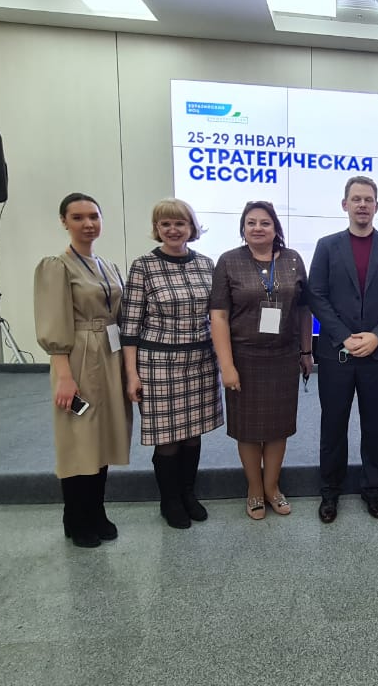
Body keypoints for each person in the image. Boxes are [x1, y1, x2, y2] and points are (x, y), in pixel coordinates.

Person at [307, 175, 378, 523]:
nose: (362, 205)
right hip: (336, 352)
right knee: (333, 425)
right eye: (356, 199)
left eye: (368, 199)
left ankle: (372, 489)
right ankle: (329, 491)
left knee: (374, 426)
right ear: (345, 205)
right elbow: (316, 295)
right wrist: (343, 336)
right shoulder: (326, 246)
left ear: (377, 206)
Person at [33, 192, 133, 549]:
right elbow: (53, 322)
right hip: (78, 357)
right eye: (78, 217)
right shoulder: (57, 267)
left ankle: (96, 510)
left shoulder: (108, 266)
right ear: (64, 222)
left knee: (102, 435)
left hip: (110, 355)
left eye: (93, 216)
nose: (88, 224)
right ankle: (76, 516)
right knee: (79, 436)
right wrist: (63, 374)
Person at [119, 198, 222, 530]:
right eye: (165, 224)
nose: (173, 229)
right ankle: (170, 500)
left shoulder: (206, 264)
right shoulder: (143, 266)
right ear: (157, 228)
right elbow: (129, 327)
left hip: (201, 360)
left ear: (191, 227)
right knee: (168, 438)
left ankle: (188, 494)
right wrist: (131, 374)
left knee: (193, 434)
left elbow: (218, 316)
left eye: (180, 223)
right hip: (158, 364)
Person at [209, 201, 313, 520]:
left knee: (279, 427)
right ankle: (254, 488)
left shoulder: (293, 260)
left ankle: (272, 487)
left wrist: (306, 351)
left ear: (275, 228)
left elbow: (304, 310)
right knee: (249, 429)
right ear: (243, 228)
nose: (258, 228)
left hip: (283, 357)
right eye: (251, 222)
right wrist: (227, 365)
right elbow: (219, 316)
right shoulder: (229, 261)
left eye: (265, 223)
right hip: (244, 357)